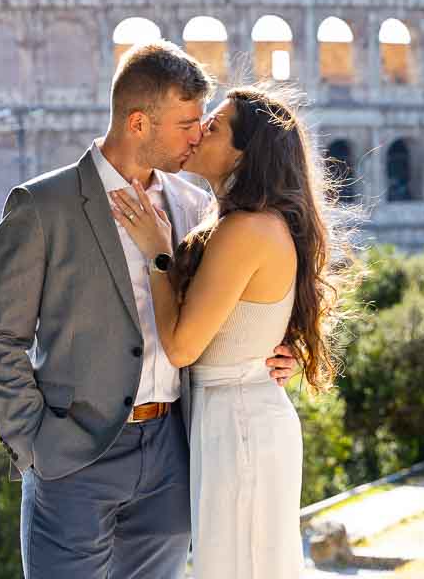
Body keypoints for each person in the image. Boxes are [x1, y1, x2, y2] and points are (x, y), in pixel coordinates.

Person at [0, 41, 300, 579]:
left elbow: (225, 311)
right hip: (73, 458)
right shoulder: (41, 206)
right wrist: (35, 444)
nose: (198, 136)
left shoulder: (195, 207)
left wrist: (277, 351)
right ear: (139, 122)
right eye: (187, 123)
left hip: (174, 452)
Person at [108, 85, 349, 579]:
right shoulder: (237, 224)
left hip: (240, 428)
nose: (197, 134)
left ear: (244, 152)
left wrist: (158, 254)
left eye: (213, 127)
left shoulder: (247, 230)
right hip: (232, 421)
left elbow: (180, 346)